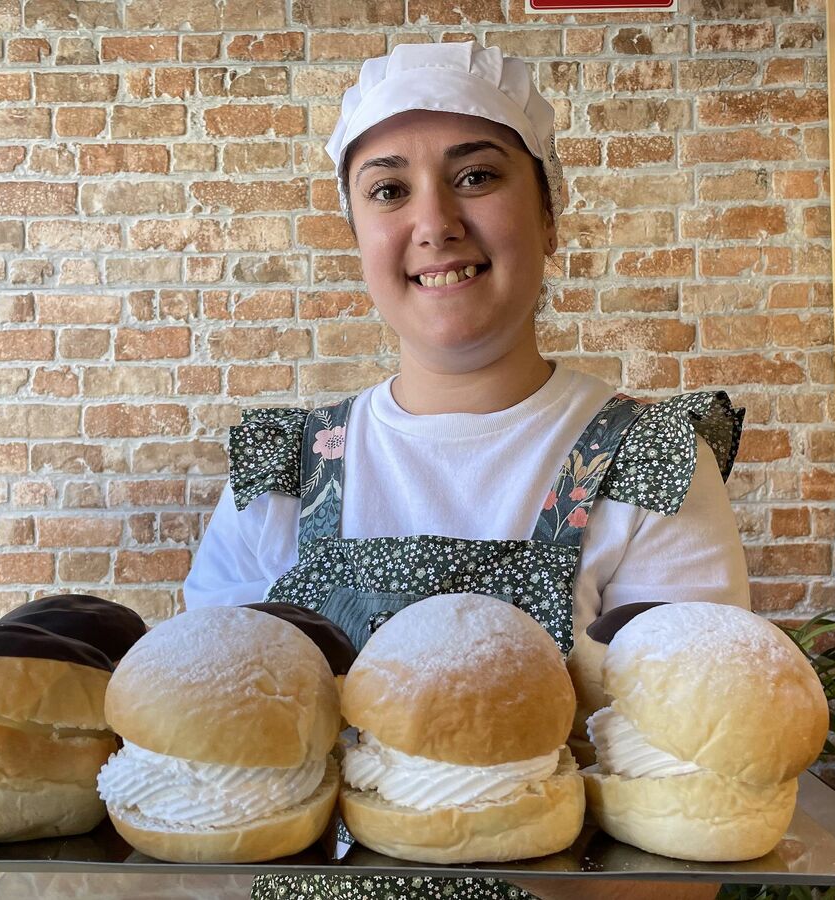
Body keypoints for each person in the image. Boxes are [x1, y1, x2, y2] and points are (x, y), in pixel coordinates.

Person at [184, 39, 749, 900]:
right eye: (388, 190)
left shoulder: (646, 458)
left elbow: (687, 779)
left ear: (550, 218)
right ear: (357, 237)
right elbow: (209, 769)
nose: (435, 221)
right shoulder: (285, 471)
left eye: (477, 176)